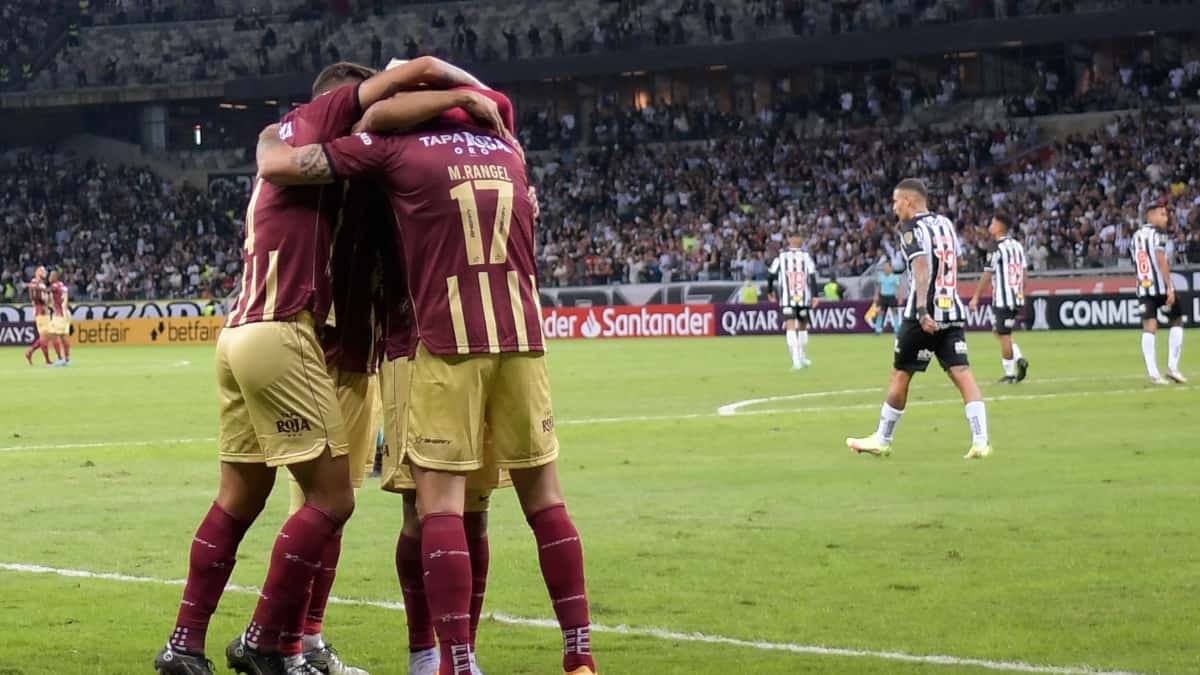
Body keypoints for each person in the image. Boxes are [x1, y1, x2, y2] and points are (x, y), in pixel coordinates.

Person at [155, 58, 499, 675]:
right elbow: (397, 85)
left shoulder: (318, 163)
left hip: (246, 331)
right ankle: (273, 642)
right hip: (300, 337)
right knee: (330, 500)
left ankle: (187, 644)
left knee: (242, 498)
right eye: (361, 109)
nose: (371, 123)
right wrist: (470, 97)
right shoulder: (315, 138)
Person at [257, 95, 599, 675]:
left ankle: (447, 661)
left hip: (432, 341)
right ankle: (580, 656)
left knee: (431, 511)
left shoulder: (393, 151)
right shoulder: (507, 150)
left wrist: (275, 134)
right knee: (538, 502)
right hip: (520, 339)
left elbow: (290, 163)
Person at [846, 178, 992, 460]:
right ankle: (981, 441)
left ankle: (882, 439)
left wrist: (923, 310)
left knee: (901, 374)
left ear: (909, 201)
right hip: (952, 310)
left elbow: (922, 268)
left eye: (895, 202)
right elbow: (959, 261)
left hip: (921, 314)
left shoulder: (910, 228)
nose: (894, 208)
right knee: (962, 373)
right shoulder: (946, 224)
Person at [969, 212, 1029, 383]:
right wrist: (1019, 291)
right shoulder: (1017, 245)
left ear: (1000, 227)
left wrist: (976, 297)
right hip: (1016, 297)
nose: (991, 226)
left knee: (1004, 335)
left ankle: (1010, 374)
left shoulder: (996, 248)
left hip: (1003, 299)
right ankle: (1019, 358)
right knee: (999, 331)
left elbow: (987, 275)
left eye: (993, 223)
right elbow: (1025, 273)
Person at [1132, 197, 1186, 385]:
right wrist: (1170, 286)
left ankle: (1154, 374)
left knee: (1149, 327)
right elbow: (1161, 259)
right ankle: (1172, 367)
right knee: (1177, 320)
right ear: (1151, 216)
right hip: (1160, 287)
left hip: (1143, 287)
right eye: (1162, 214)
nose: (1166, 218)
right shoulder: (1158, 234)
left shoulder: (1136, 236)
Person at [766, 233, 819, 369]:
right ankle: (801, 358)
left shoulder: (781, 256)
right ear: (801, 242)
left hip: (787, 299)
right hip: (803, 299)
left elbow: (770, 275)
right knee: (802, 326)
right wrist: (815, 296)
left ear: (789, 241)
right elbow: (812, 277)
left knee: (791, 327)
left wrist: (770, 291)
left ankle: (797, 360)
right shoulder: (806, 257)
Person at [23, 266, 53, 366]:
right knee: (45, 336)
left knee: (46, 336)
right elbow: (38, 297)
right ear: (38, 272)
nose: (45, 273)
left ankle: (30, 352)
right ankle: (47, 360)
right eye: (43, 271)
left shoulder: (38, 283)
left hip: (42, 311)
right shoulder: (36, 282)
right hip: (41, 311)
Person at [47, 269, 72, 367]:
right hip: (65, 313)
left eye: (51, 275)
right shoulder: (62, 286)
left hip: (59, 314)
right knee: (64, 336)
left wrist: (34, 286)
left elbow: (46, 291)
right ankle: (67, 360)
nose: (49, 277)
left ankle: (60, 359)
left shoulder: (55, 286)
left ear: (56, 277)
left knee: (53, 334)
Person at [873, 261, 902, 336]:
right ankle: (878, 329)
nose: (885, 268)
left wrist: (900, 298)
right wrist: (876, 295)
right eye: (884, 267)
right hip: (883, 296)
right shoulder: (881, 277)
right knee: (880, 312)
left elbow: (898, 288)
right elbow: (878, 287)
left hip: (891, 296)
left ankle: (897, 329)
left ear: (891, 268)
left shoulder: (895, 277)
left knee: (894, 312)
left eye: (887, 267)